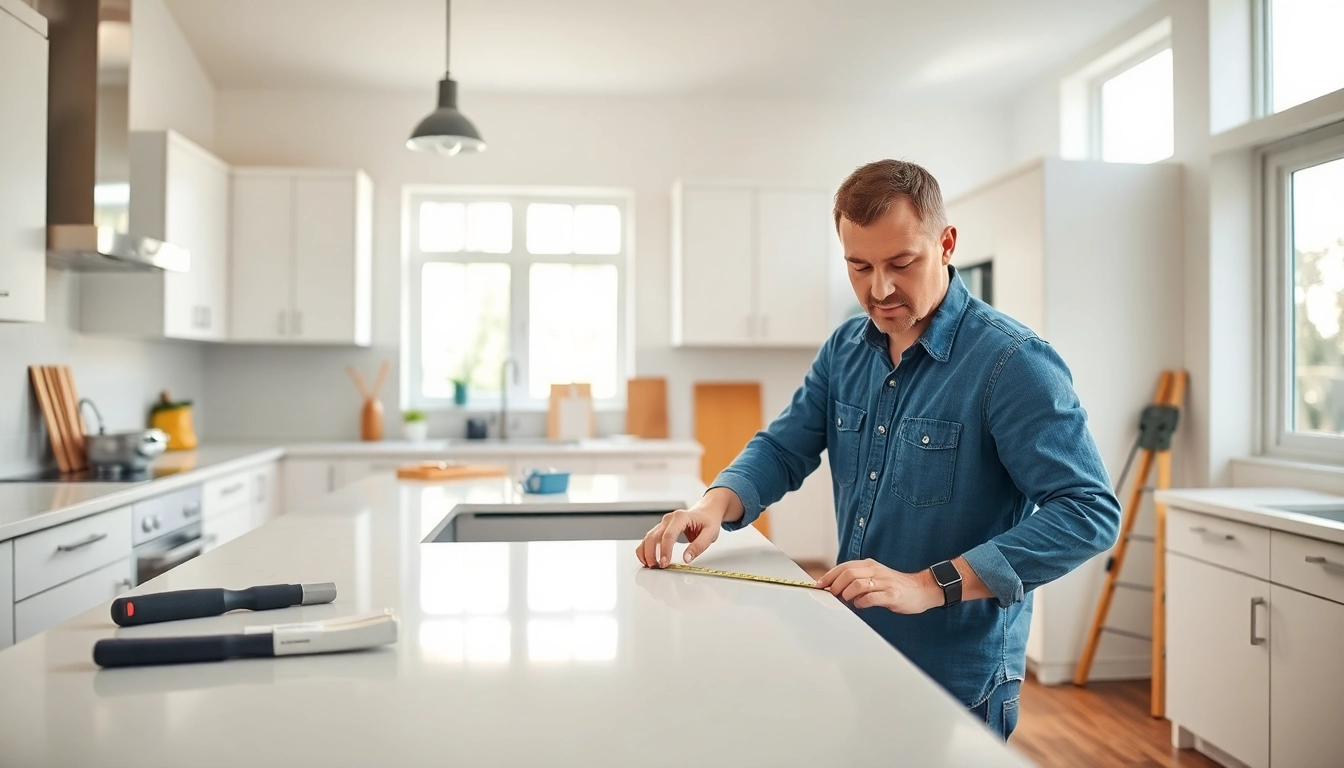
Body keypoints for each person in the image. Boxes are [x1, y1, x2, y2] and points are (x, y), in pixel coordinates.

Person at [636, 159, 1121, 740]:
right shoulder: (845, 348)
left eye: (901, 263)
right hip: (859, 647)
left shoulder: (1012, 363)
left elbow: (1089, 513)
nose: (880, 289)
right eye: (859, 266)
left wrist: (927, 584)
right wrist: (713, 505)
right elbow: (784, 446)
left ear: (946, 244)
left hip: (960, 678)